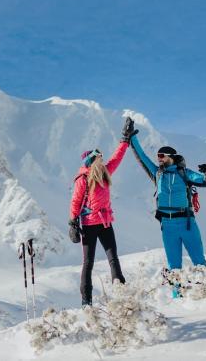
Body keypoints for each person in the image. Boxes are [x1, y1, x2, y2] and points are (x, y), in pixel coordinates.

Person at [128, 129, 206, 288]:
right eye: (158, 156)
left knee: (199, 261)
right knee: (174, 265)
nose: (158, 159)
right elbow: (142, 157)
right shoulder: (157, 174)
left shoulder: (184, 173)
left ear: (171, 158)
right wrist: (132, 138)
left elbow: (205, 181)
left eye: (162, 156)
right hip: (167, 226)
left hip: (187, 223)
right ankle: (177, 296)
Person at [69, 117, 136, 306]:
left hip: (105, 222)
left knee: (113, 258)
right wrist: (72, 223)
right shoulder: (83, 178)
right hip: (89, 225)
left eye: (102, 158)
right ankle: (86, 301)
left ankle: (122, 293)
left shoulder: (105, 172)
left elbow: (117, 157)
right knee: (88, 263)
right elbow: (75, 201)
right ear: (92, 161)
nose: (103, 160)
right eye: (99, 158)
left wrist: (125, 139)